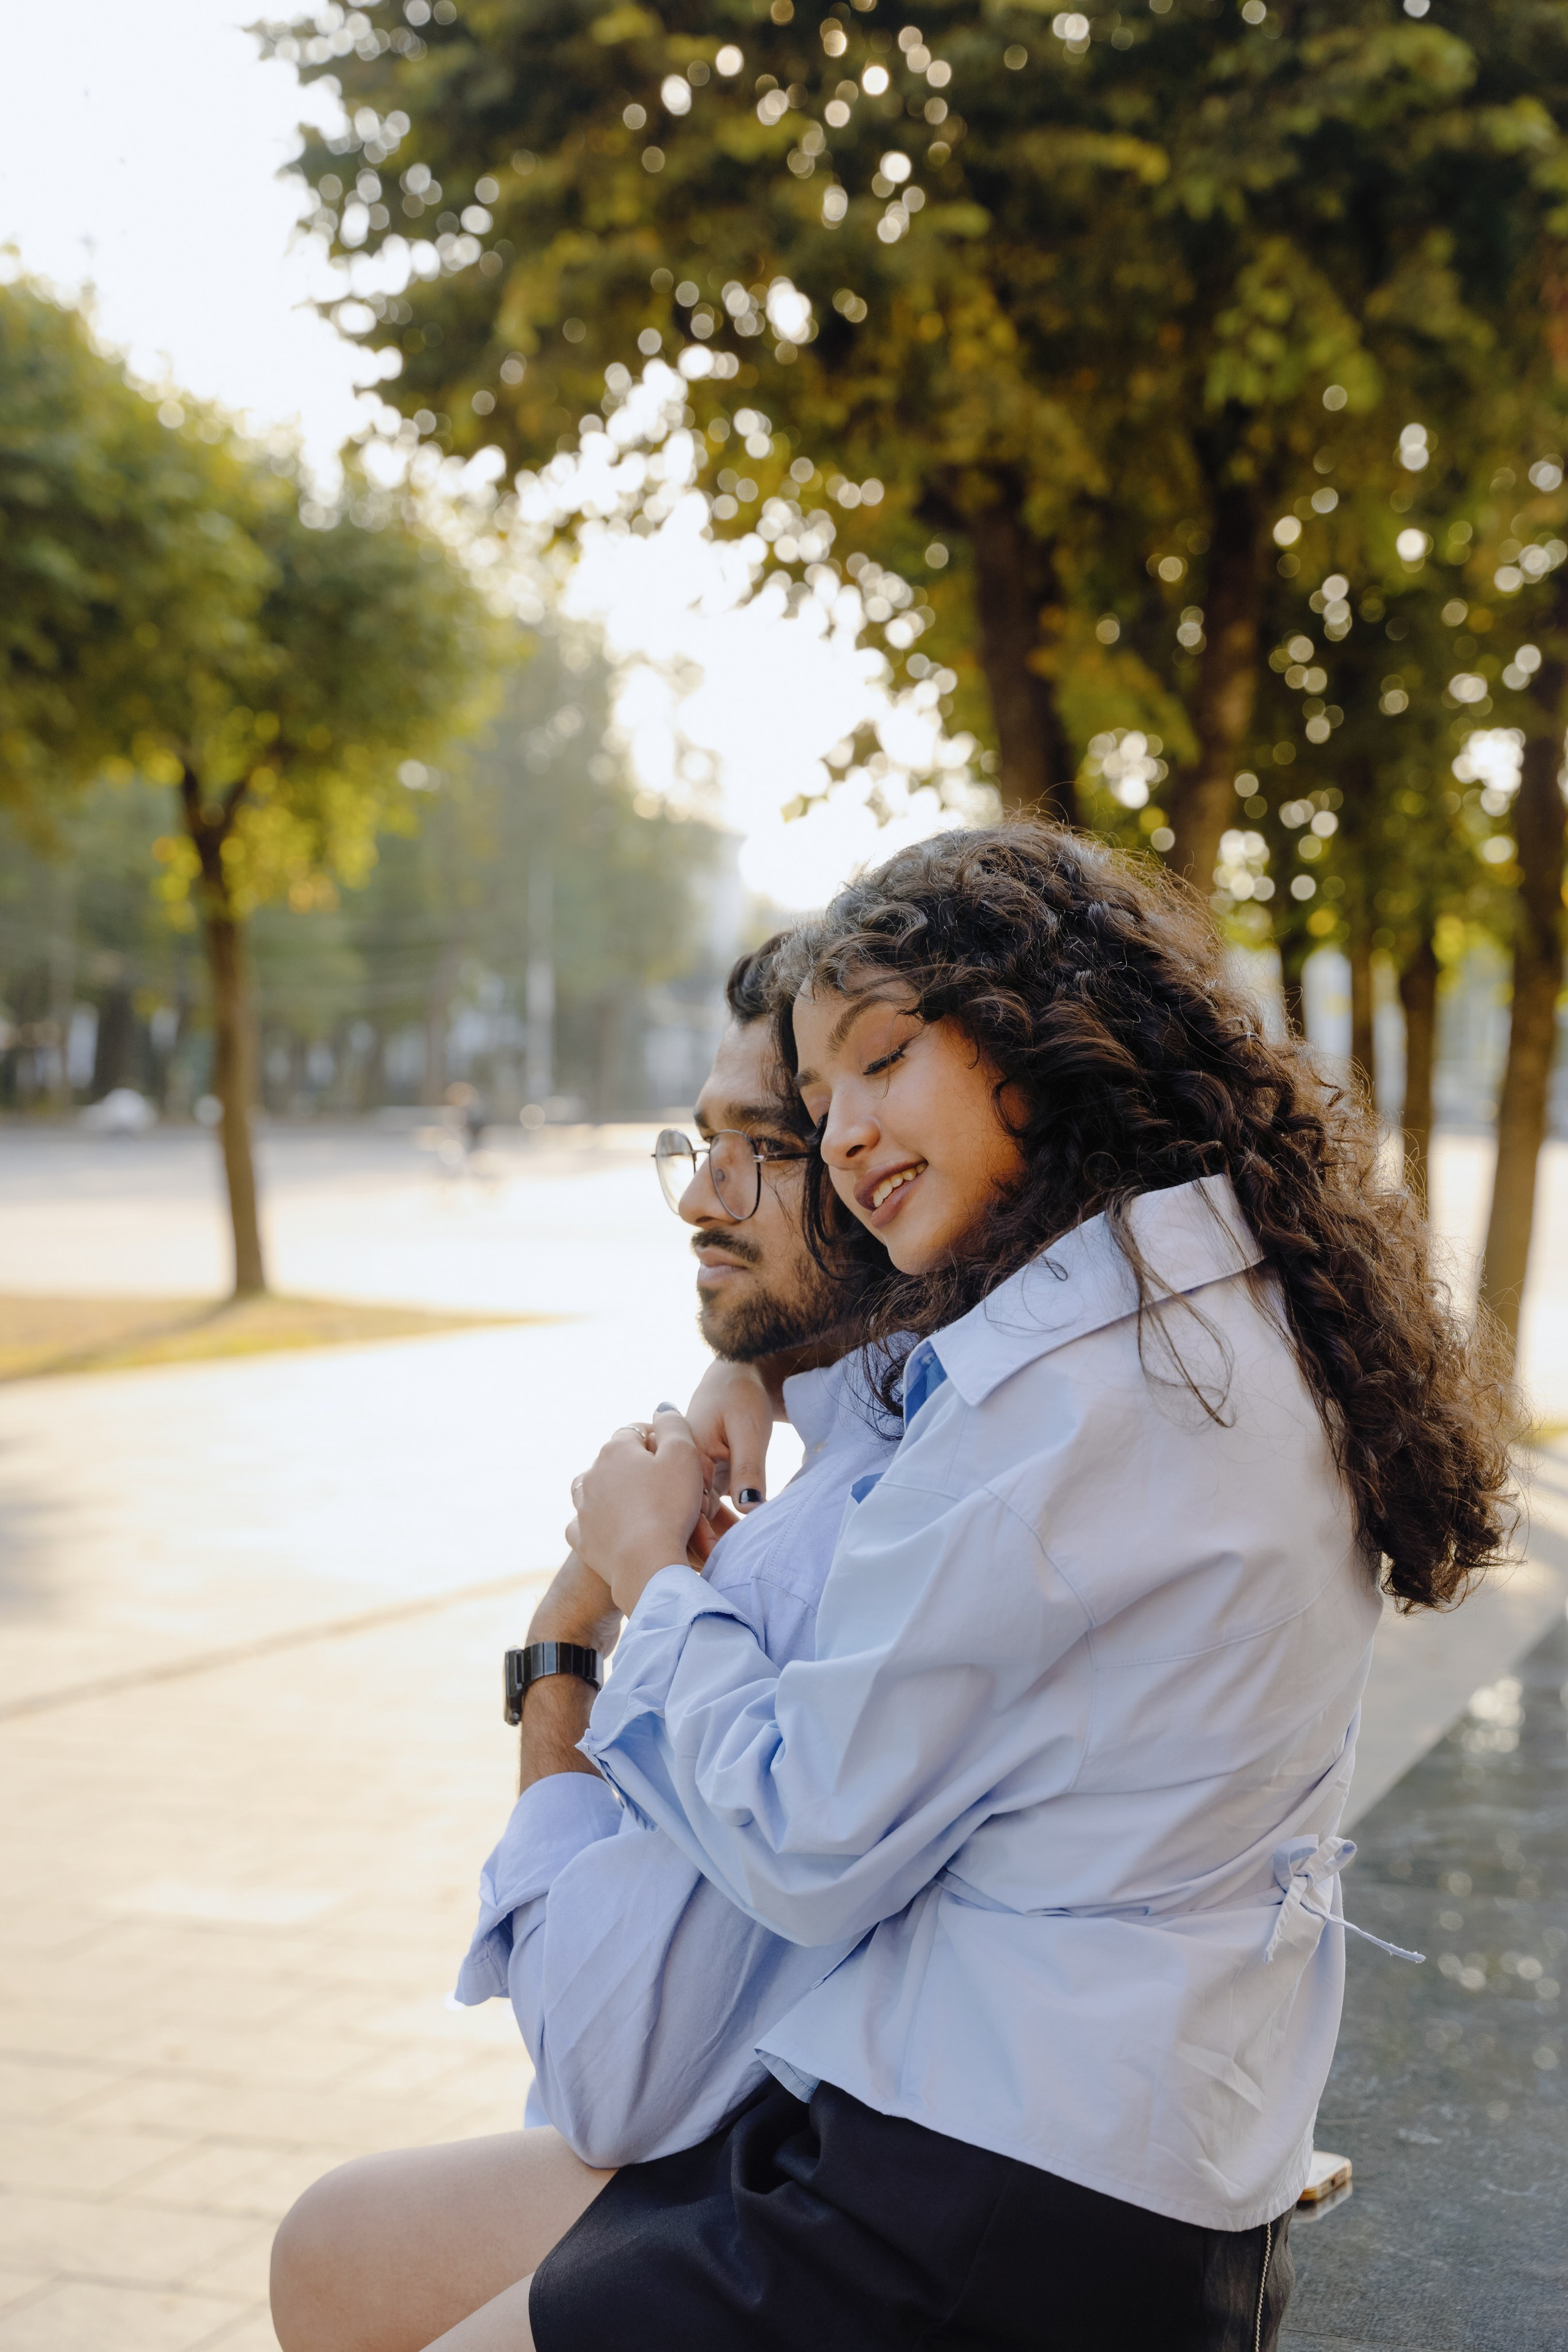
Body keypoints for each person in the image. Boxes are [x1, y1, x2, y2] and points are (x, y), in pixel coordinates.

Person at [519, 824, 1515, 2352]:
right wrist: (748, 1370)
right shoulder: (1189, 1297)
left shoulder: (1076, 1403)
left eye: (879, 1060)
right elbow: (915, 1416)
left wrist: (643, 1581)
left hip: (984, 2213)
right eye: (821, 1095)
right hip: (1105, 2165)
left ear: (1033, 1034)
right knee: (357, 2264)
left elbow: (795, 1837)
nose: (845, 1133)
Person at [270, 939, 897, 2352]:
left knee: (339, 2254)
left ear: (875, 1166)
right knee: (338, 2249)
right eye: (697, 1140)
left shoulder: (823, 1545)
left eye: (761, 1148)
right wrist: (757, 1369)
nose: (695, 1196)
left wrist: (569, 1638)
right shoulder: (865, 1449)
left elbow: (600, 2083)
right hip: (838, 2150)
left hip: (839, 2194)